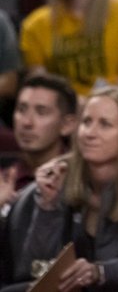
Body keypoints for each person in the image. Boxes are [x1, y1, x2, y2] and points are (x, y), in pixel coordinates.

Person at [5, 87, 118, 292]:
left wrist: (99, 272)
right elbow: (36, 265)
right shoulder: (62, 172)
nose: (90, 133)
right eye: (86, 122)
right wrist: (48, 205)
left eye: (105, 125)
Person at [0, 75, 77, 208]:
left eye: (41, 112)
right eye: (21, 110)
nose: (27, 122)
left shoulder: (81, 180)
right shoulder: (3, 178)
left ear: (67, 125)